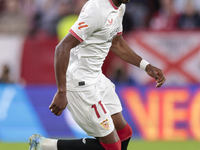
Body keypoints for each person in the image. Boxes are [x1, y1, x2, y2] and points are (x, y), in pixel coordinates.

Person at [29, 0, 166, 150]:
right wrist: (62, 91)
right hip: (81, 82)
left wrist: (146, 66)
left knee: (124, 134)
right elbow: (62, 47)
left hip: (97, 78)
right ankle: (44, 146)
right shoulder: (96, 9)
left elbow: (117, 43)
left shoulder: (120, 7)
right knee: (112, 147)